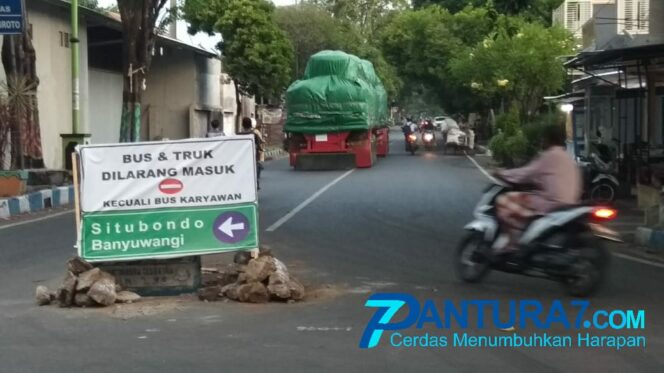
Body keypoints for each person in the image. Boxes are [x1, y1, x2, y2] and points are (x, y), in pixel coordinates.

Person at [493, 124, 582, 252]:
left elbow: (526, 173)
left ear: (548, 139)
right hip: (570, 204)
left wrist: (501, 174)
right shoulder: (567, 157)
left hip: (551, 203)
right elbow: (548, 177)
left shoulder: (549, 156)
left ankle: (512, 242)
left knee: (503, 201)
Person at [241, 117, 265, 189]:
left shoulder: (238, 134)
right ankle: (256, 184)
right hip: (253, 157)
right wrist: (261, 149)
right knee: (256, 169)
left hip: (242, 157)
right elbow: (259, 144)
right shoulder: (254, 134)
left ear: (242, 124)